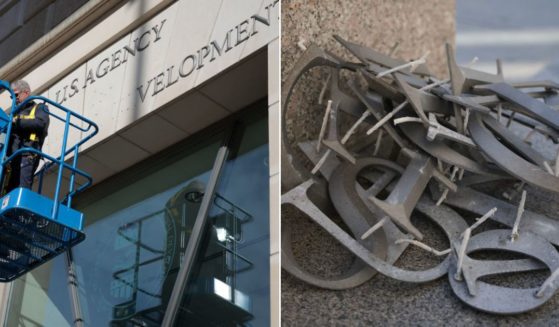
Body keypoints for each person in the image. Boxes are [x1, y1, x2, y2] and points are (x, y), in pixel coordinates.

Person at [4, 80, 49, 194]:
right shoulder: (14, 113)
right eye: (12, 97)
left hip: (26, 155)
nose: (14, 99)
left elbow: (41, 124)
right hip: (11, 159)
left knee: (21, 189)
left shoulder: (40, 107)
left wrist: (17, 121)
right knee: (7, 192)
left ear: (27, 93)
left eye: (16, 95)